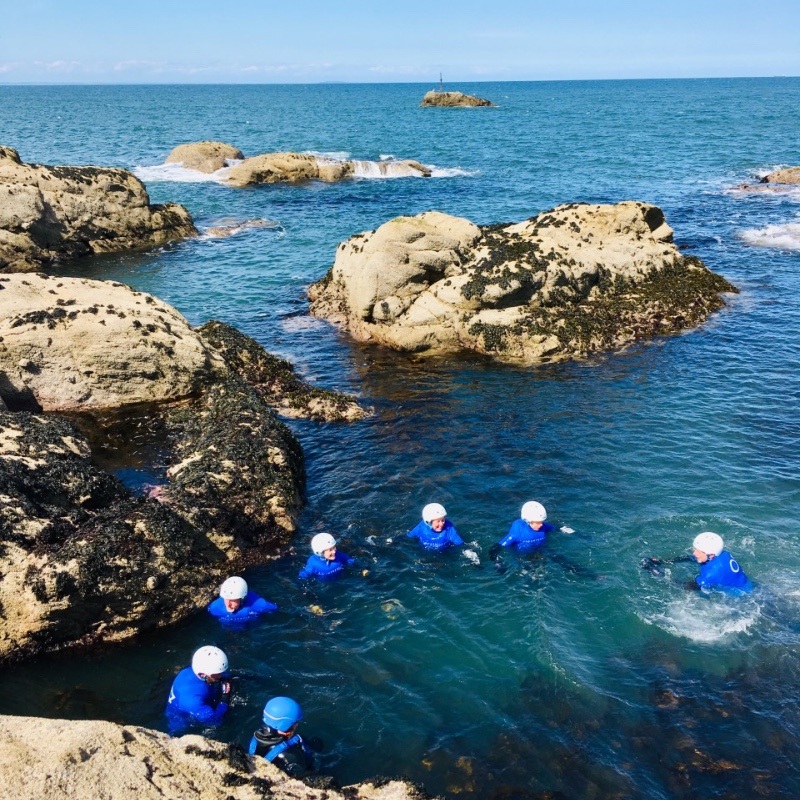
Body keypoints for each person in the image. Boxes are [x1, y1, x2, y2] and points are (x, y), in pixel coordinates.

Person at [165, 645, 232, 734]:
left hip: (195, 702)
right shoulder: (192, 700)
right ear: (202, 674)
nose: (220, 675)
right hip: (183, 724)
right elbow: (215, 721)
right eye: (217, 674)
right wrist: (225, 698)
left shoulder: (189, 671)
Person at [248, 696, 315, 776]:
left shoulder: (255, 739)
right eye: (295, 723)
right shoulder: (291, 757)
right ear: (285, 724)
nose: (297, 724)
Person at [207, 576, 278, 627]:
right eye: (226, 599)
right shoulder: (215, 608)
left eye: (232, 600)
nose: (228, 604)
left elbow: (275, 610)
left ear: (242, 598)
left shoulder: (259, 605)